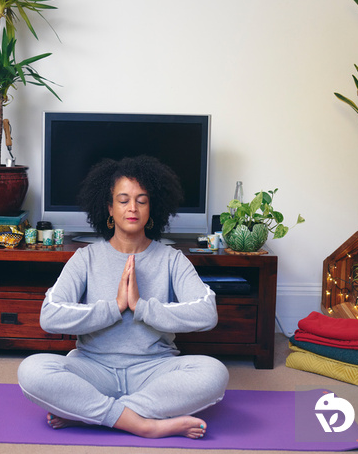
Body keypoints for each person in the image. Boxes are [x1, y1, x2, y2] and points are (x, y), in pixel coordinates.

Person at [17, 155, 229, 439]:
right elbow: (50, 316)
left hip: (154, 371)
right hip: (93, 369)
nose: (133, 208)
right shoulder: (86, 258)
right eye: (123, 199)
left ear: (152, 208)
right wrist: (114, 307)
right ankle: (144, 424)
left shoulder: (172, 259)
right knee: (32, 370)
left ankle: (92, 415)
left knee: (214, 373)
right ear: (109, 207)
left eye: (141, 200)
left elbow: (206, 314)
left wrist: (142, 307)